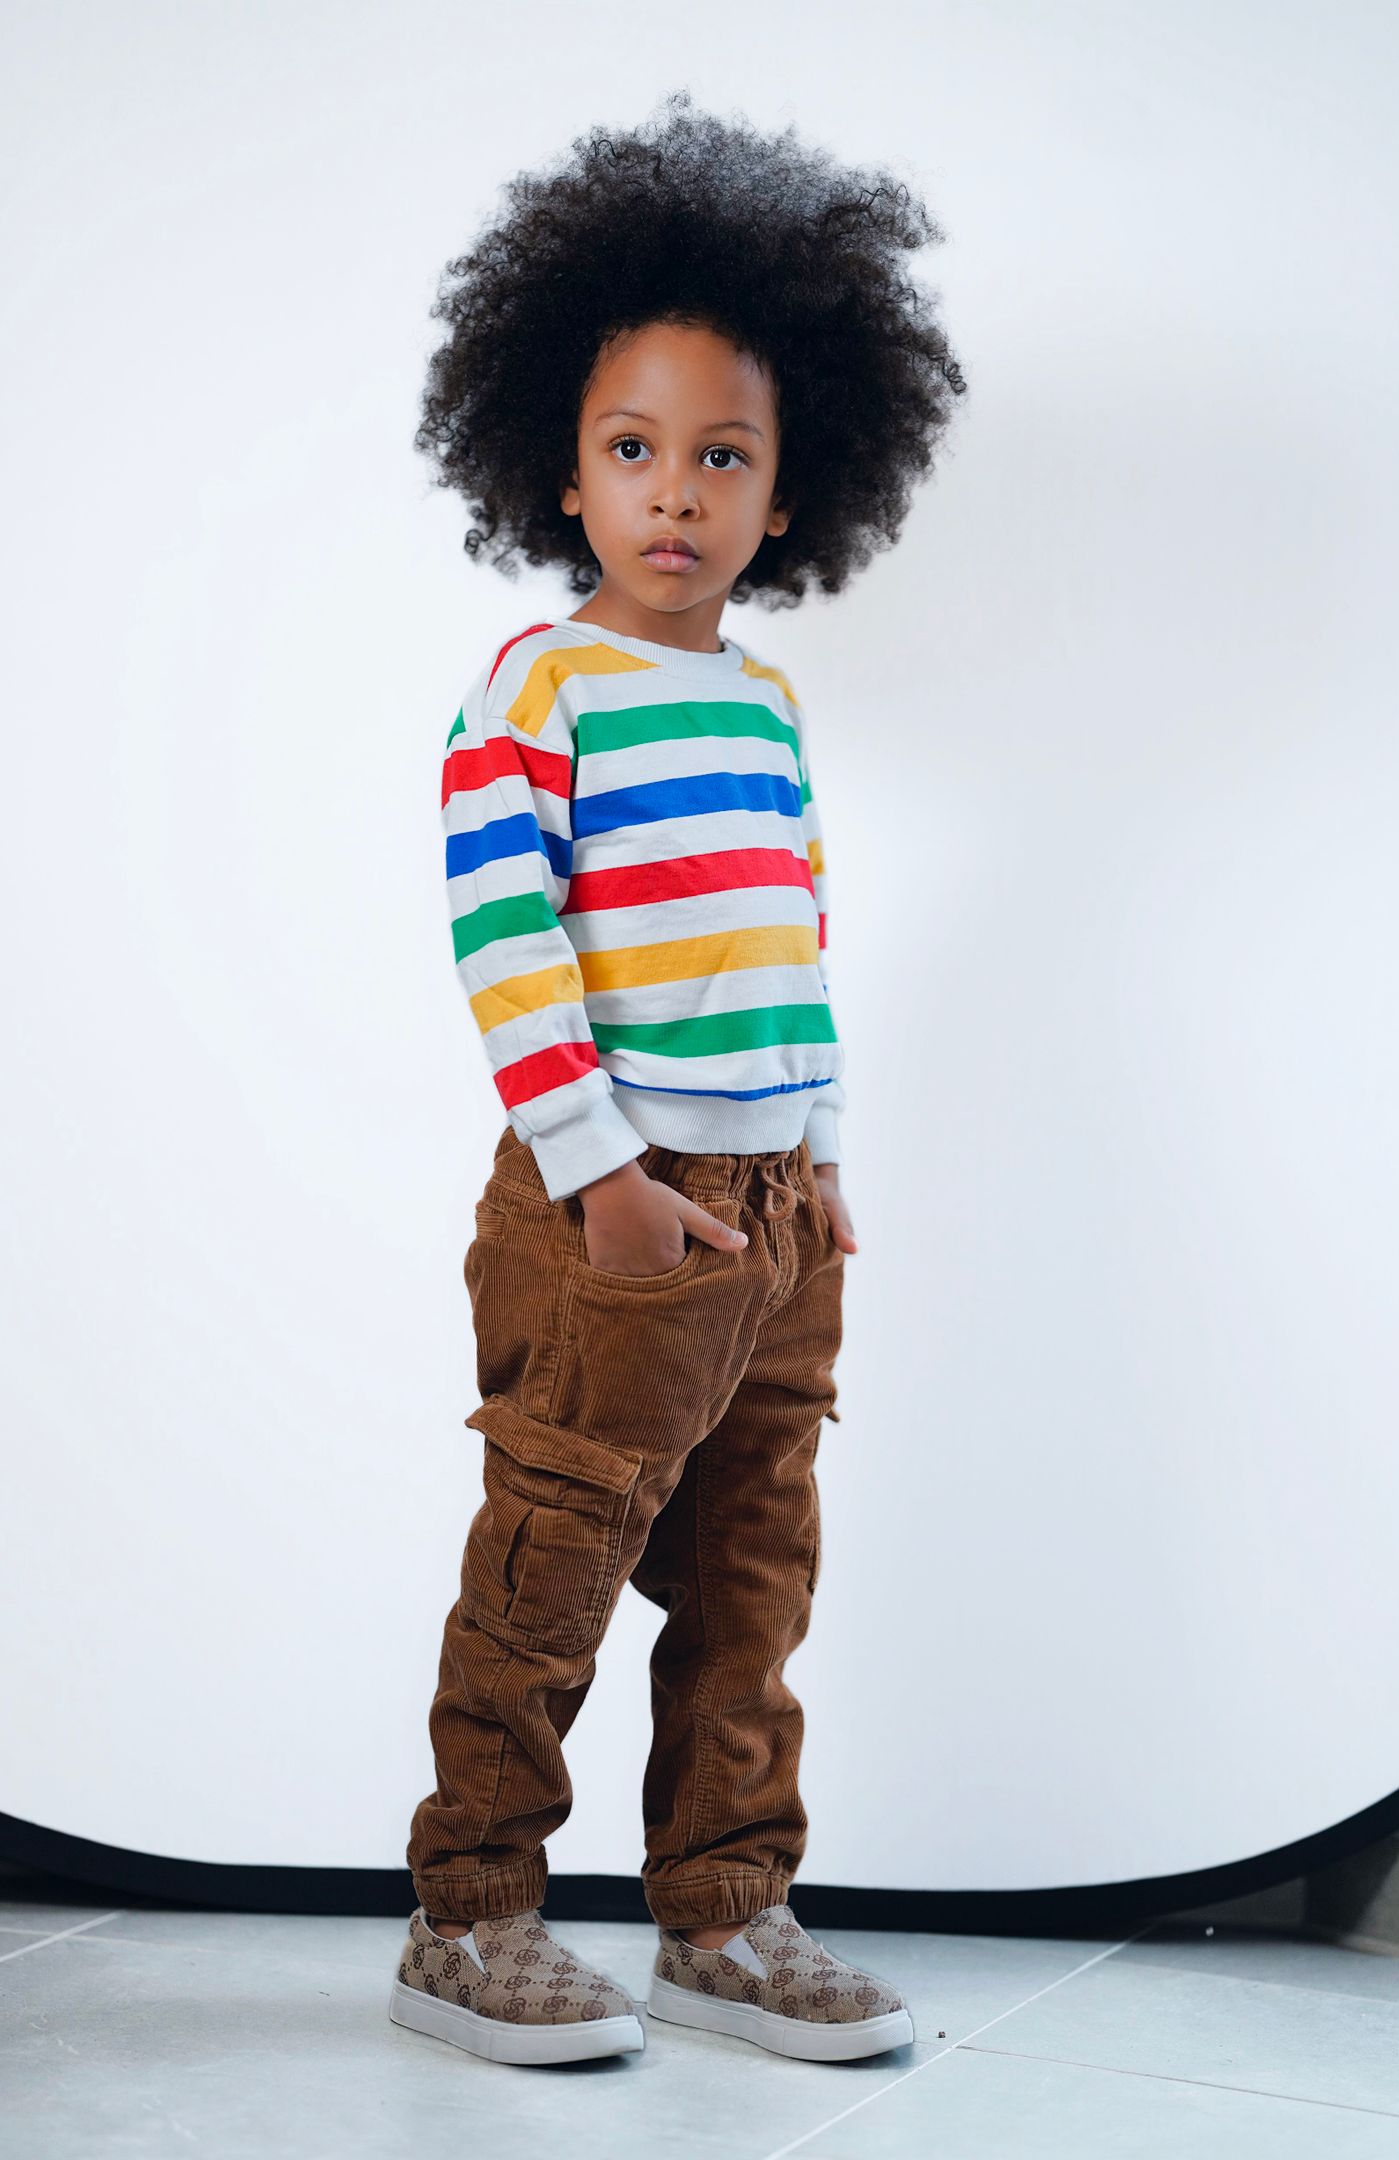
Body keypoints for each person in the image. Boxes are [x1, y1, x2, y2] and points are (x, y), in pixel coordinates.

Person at [390, 88, 968, 2068]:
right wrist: (597, 1170)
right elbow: (506, 938)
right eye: (632, 449)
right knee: (555, 1555)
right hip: (619, 1205)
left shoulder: (767, 705)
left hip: (775, 1218)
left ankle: (726, 1914)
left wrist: (824, 1161)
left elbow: (796, 945)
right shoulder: (538, 688)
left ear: (791, 492)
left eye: (724, 455)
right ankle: (470, 1915)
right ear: (559, 470)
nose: (676, 492)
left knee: (749, 1581)